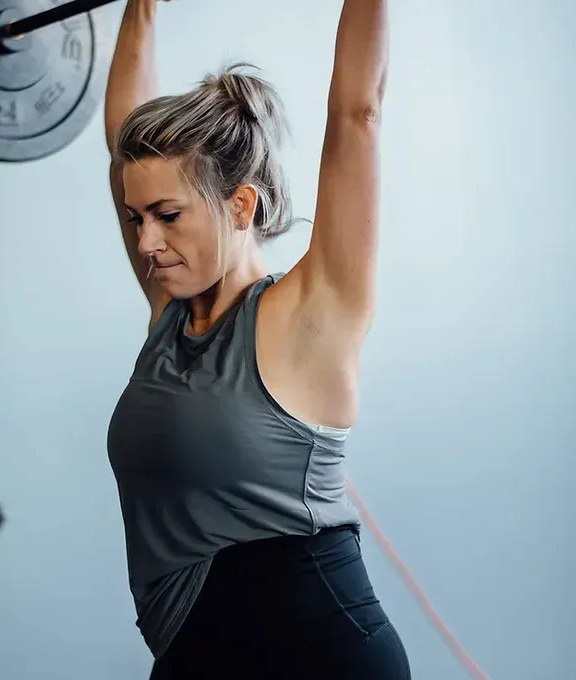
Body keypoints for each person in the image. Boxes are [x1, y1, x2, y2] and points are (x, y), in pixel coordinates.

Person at [105, 0, 409, 677]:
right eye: (134, 217)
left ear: (240, 206)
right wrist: (141, 11)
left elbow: (357, 113)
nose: (146, 242)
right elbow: (121, 134)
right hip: (193, 660)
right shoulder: (169, 314)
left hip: (320, 657)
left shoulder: (314, 309)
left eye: (166, 216)